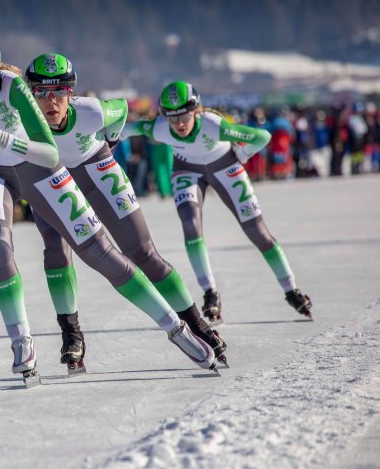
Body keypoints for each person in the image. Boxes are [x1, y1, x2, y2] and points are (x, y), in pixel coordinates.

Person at [0, 31, 217, 383]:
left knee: (100, 252)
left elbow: (50, 153)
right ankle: (22, 340)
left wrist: (0, 137)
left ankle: (176, 328)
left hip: (36, 166)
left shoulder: (15, 89)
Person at [24, 54, 226, 371]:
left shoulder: (91, 112)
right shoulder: (22, 122)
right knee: (55, 251)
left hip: (96, 171)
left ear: (71, 94)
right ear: (30, 95)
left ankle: (197, 325)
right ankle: (71, 333)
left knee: (143, 252)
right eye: (41, 92)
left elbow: (120, 110)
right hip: (52, 178)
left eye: (59, 91)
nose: (51, 101)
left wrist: (113, 138)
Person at [123, 81, 313, 322]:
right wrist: (111, 134)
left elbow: (262, 136)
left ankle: (291, 290)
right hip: (187, 170)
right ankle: (210, 292)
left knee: (258, 233)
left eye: (184, 115)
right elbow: (132, 129)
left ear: (196, 111)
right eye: (172, 118)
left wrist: (243, 155)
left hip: (226, 167)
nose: (179, 123)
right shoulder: (160, 128)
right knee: (191, 226)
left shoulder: (213, 126)